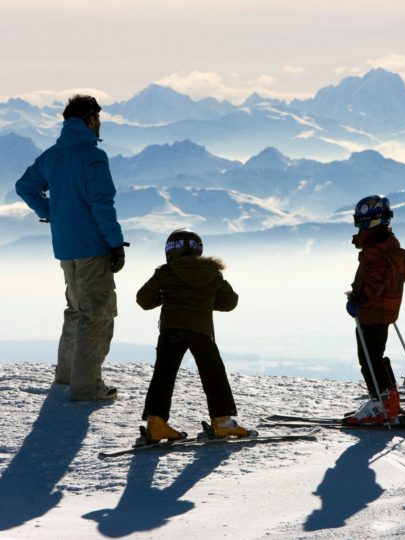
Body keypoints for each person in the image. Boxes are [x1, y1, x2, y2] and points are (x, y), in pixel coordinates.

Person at [15, 94, 126, 401]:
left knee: (75, 309)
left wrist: (51, 211)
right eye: (99, 118)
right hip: (92, 247)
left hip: (65, 247)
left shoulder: (52, 155)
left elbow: (24, 186)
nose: (100, 123)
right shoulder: (92, 156)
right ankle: (86, 386)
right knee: (97, 314)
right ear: (90, 119)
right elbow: (102, 204)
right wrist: (115, 244)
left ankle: (67, 375)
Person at [137, 228, 249, 441]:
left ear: (170, 252)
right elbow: (230, 302)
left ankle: (157, 424)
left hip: (171, 330)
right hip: (201, 331)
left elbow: (143, 300)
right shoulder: (212, 273)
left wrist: (162, 298)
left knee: (163, 375)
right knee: (213, 375)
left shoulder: (165, 272)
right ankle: (223, 422)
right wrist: (206, 302)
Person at [344, 195, 405, 424]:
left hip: (372, 311)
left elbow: (377, 279)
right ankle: (389, 399)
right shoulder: (391, 245)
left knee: (368, 358)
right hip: (385, 309)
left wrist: (360, 298)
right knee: (375, 355)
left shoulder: (377, 250)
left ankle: (380, 404)